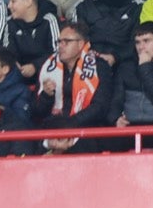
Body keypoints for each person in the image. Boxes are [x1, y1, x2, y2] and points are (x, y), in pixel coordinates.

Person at [32, 20, 114, 153]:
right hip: (52, 130)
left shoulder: (99, 66)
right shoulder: (48, 67)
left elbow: (100, 107)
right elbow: (36, 111)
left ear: (81, 44)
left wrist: (68, 125)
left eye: (67, 42)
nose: (61, 46)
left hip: (85, 130)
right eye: (59, 42)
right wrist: (46, 96)